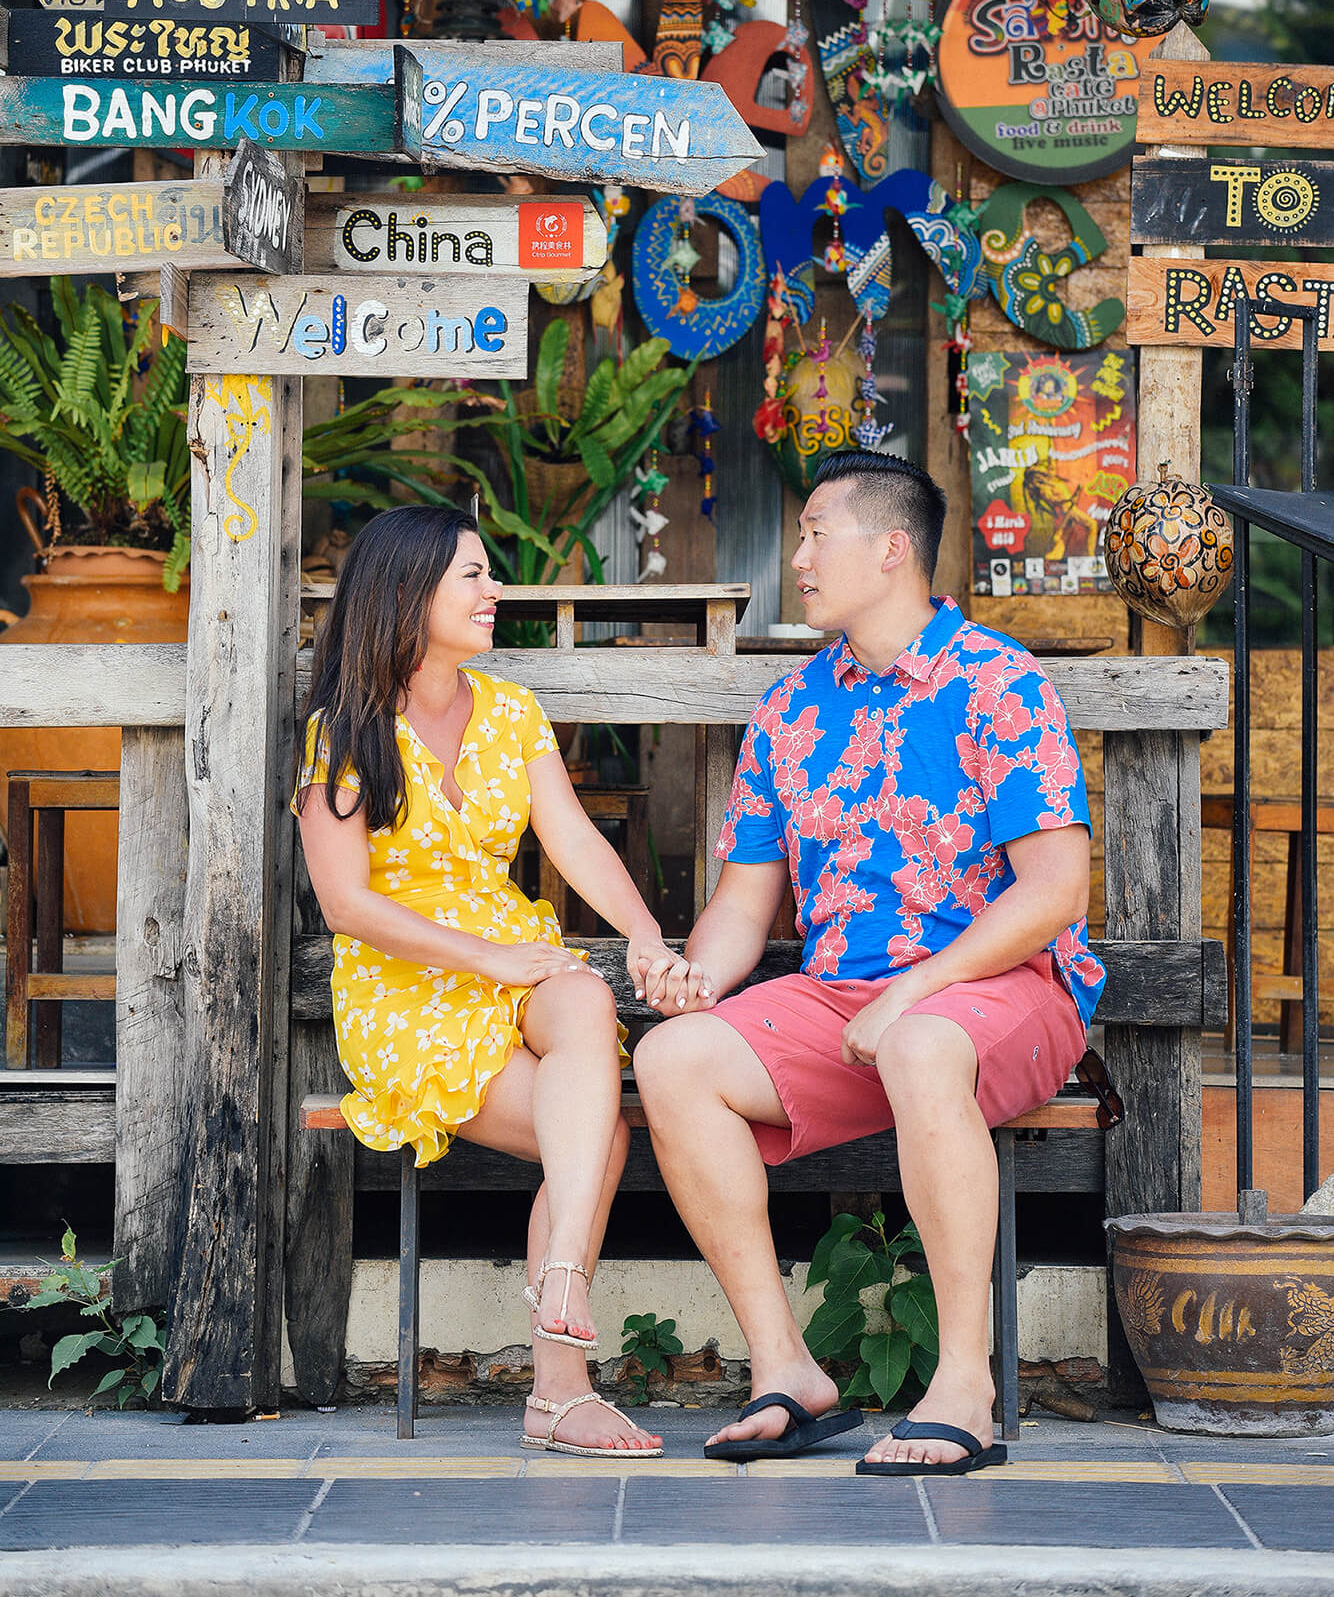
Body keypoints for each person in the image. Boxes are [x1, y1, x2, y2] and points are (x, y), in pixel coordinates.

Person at [632, 451, 1101, 1477]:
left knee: (926, 1043)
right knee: (672, 1059)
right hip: (847, 1002)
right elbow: (741, 908)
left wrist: (916, 990)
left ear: (890, 549)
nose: (795, 557)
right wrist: (694, 977)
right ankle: (787, 1371)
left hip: (997, 989)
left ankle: (962, 1383)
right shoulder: (791, 708)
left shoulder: (995, 680)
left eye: (812, 533)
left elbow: (1053, 892)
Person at [295, 503, 687, 1459]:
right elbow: (347, 904)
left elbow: (575, 842)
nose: (493, 591)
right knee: (602, 1138)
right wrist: (491, 960)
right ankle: (559, 1389)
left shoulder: (511, 713)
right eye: (472, 575)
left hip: (515, 962)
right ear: (407, 592)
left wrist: (643, 934)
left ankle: (560, 1291)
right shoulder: (342, 729)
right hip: (409, 987)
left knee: (588, 996)